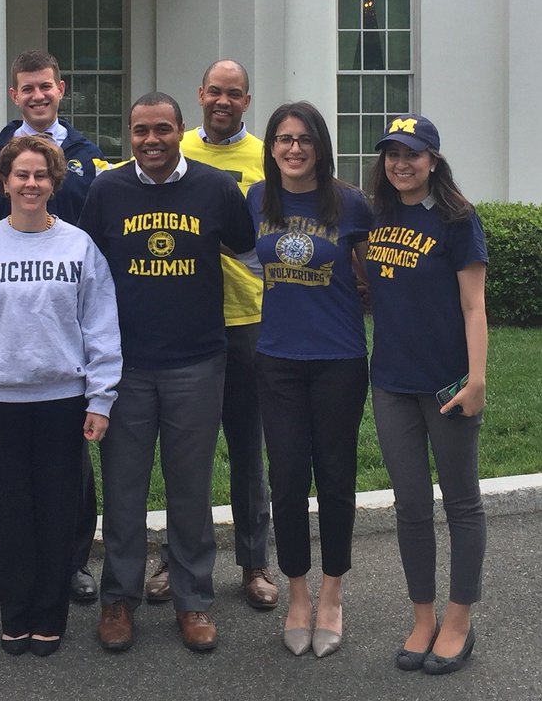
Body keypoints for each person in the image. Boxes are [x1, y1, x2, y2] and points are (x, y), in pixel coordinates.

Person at [80, 92, 256, 654]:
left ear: (182, 130)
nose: (151, 140)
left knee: (190, 488)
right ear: (129, 134)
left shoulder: (216, 188)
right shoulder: (107, 190)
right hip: (125, 364)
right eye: (140, 131)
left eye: (161, 129)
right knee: (123, 488)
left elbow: (249, 250)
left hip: (197, 360)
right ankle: (118, 598)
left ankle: (192, 598)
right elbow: (87, 268)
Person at [0, 135, 122, 657]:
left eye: (41, 175)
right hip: (0, 402)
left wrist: (101, 398)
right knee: (12, 513)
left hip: (64, 399)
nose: (31, 184)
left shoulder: (78, 246)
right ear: (4, 182)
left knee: (58, 512)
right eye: (21, 174)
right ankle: (15, 615)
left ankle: (49, 615)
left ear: (54, 183)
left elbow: (101, 325)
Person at [0, 49, 108, 606]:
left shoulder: (89, 157)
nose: (37, 95)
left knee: (69, 467)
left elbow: (98, 228)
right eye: (27, 88)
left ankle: (72, 562)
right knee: (9, 473)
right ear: (15, 95)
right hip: (10, 316)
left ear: (60, 89)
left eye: (45, 86)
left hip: (67, 313)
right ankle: (10, 562)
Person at [145, 60, 277, 611]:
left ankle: (254, 563)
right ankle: (177, 557)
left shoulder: (266, 159)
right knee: (184, 455)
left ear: (247, 100)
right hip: (185, 324)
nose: (223, 101)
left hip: (246, 320)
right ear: (200, 94)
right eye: (215, 92)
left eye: (234, 94)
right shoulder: (172, 149)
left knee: (247, 448)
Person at [246, 101, 371, 659]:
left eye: (304, 139)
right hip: (277, 359)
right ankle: (297, 593)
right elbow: (242, 256)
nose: (294, 148)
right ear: (271, 147)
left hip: (339, 358)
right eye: (283, 139)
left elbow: (373, 277)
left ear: (321, 146)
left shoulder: (351, 204)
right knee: (288, 478)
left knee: (336, 477)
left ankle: (333, 594)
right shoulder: (258, 199)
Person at [366, 115, 488, 675]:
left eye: (412, 154)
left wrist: (476, 379)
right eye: (392, 154)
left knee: (461, 501)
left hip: (447, 384)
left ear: (433, 160)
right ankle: (422, 617)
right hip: (391, 382)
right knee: (410, 505)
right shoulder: (377, 214)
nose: (401, 164)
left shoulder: (457, 219)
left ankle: (458, 619)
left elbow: (473, 306)